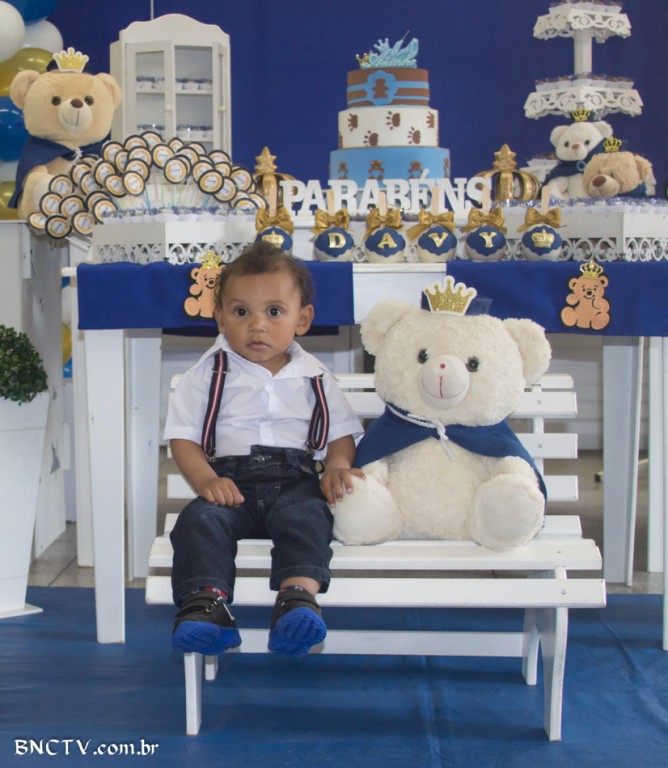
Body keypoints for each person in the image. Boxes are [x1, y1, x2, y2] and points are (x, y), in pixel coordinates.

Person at [164, 242, 365, 657]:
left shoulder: (315, 377)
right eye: (241, 312)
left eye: (274, 312)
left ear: (302, 319)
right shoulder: (207, 374)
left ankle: (296, 599)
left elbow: (340, 434)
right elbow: (184, 438)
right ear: (220, 317)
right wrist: (206, 480)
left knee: (310, 516)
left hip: (296, 481)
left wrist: (336, 465)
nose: (257, 325)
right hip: (229, 483)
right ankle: (206, 604)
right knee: (199, 521)